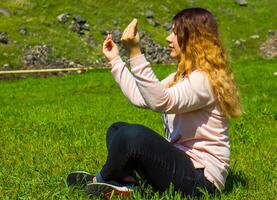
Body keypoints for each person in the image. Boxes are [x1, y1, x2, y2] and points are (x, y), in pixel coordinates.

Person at [67, 7, 242, 198]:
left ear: (193, 39)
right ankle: (126, 185)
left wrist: (135, 53)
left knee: (131, 136)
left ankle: (100, 181)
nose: (168, 38)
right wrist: (116, 61)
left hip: (201, 181)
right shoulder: (180, 77)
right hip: (182, 166)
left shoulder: (204, 80)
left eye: (175, 33)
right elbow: (141, 96)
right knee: (117, 130)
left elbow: (161, 102)